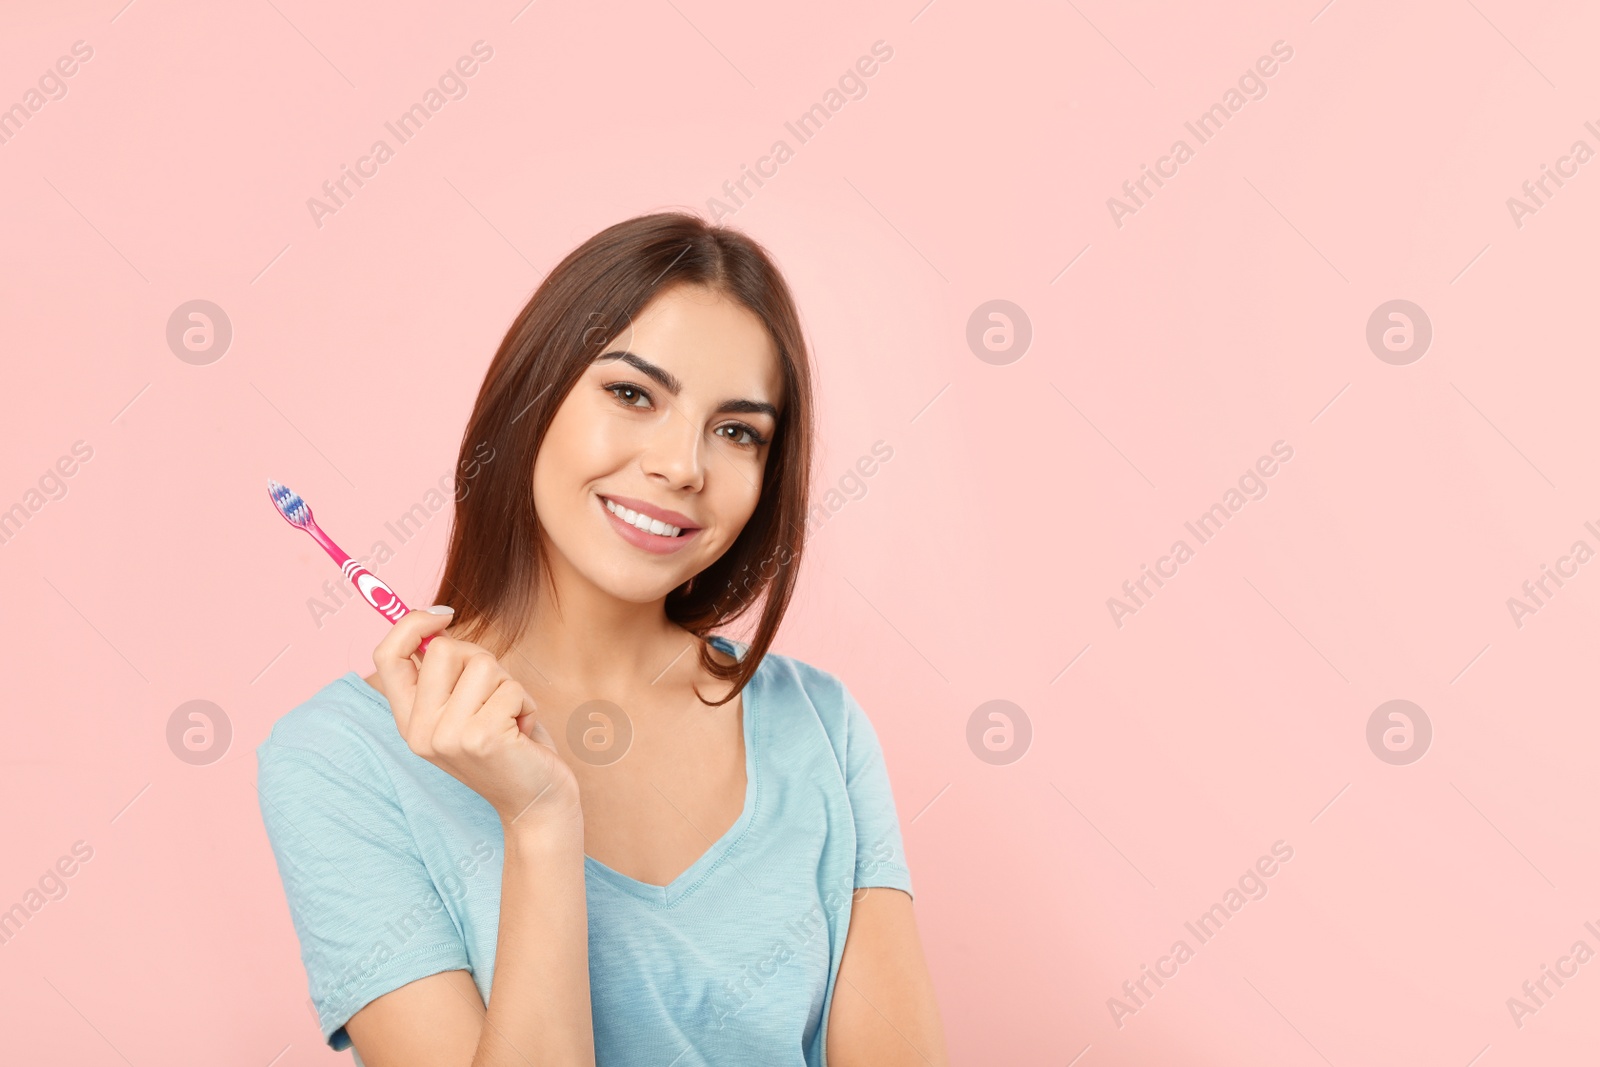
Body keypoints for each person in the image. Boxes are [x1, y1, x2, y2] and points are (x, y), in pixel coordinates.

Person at [255, 212, 949, 1066]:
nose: (682, 464)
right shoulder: (341, 761)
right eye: (632, 394)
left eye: (738, 431)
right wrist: (542, 821)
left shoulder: (821, 728)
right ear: (532, 398)